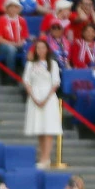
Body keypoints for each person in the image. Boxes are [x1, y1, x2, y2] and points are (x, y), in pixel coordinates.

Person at [23, 38, 61, 169]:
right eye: (38, 48)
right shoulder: (30, 64)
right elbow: (26, 81)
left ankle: (46, 157)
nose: (40, 50)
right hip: (34, 96)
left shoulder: (53, 64)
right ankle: (42, 157)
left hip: (48, 98)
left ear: (47, 50)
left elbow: (56, 82)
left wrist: (46, 98)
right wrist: (33, 96)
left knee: (48, 128)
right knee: (39, 127)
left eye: (43, 48)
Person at [0, 0, 30, 74]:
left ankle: (26, 72)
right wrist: (13, 44)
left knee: (28, 47)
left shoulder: (22, 20)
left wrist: (21, 42)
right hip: (4, 45)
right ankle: (11, 74)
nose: (13, 9)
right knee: (11, 49)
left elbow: (24, 37)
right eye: (11, 6)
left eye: (15, 7)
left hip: (18, 44)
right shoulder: (2, 19)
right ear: (7, 8)